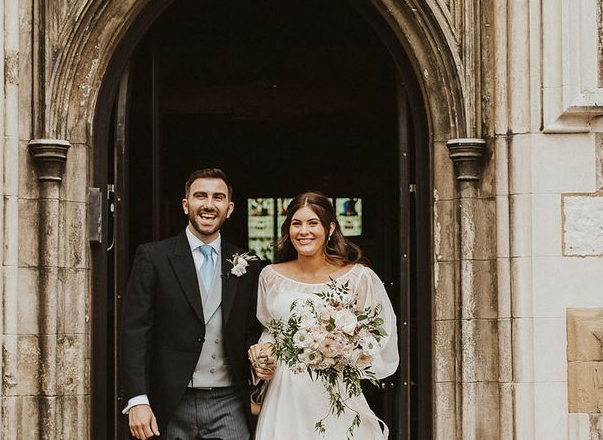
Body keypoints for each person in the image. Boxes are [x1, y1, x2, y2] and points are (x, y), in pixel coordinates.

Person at [122, 168, 262, 440]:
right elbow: (135, 333)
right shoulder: (154, 257)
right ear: (186, 205)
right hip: (171, 402)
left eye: (218, 198)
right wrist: (138, 400)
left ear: (229, 208)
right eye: (200, 196)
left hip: (229, 401)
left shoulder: (248, 262)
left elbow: (251, 331)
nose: (209, 205)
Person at [248, 192, 399, 439]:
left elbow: (378, 336)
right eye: (296, 224)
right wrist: (263, 353)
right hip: (285, 393)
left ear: (330, 228)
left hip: (334, 392)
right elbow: (268, 330)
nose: (303, 231)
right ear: (288, 230)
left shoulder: (358, 277)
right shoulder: (269, 276)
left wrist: (343, 352)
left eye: (312, 223)